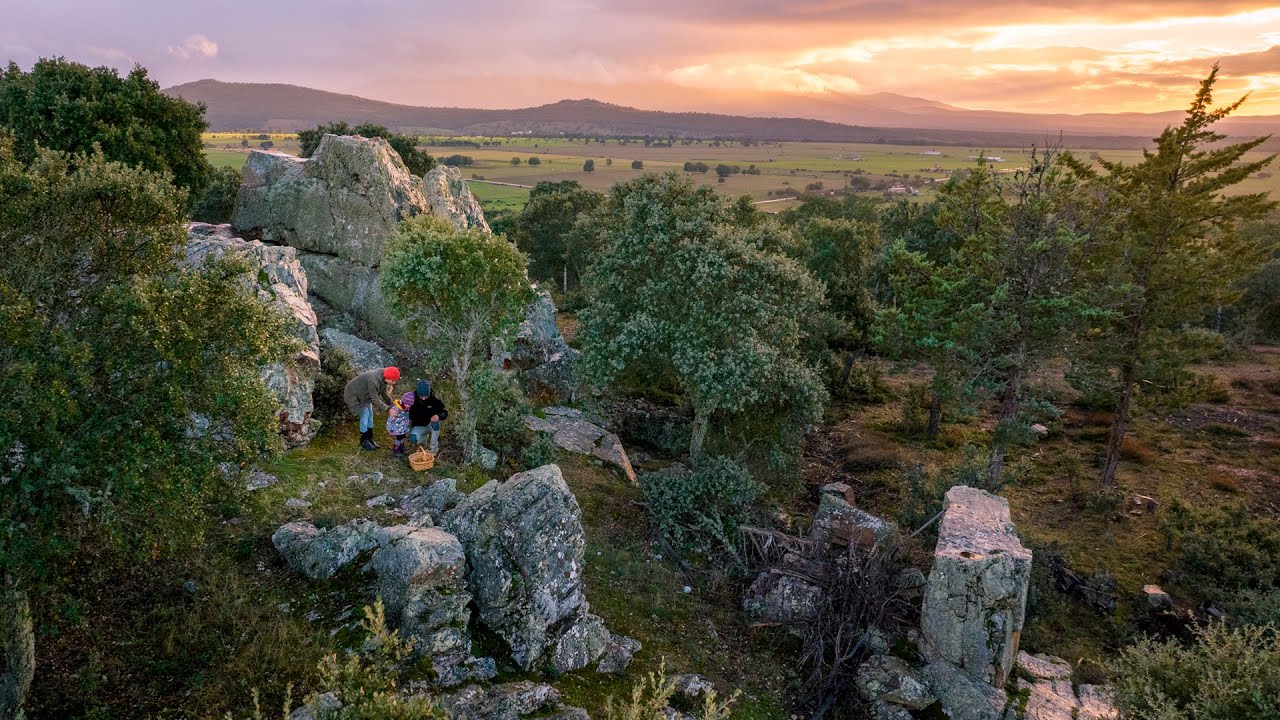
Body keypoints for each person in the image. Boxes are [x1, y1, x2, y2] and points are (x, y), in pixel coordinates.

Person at [343, 366, 399, 451]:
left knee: (370, 415)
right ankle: (364, 441)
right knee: (365, 415)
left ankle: (370, 438)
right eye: (393, 381)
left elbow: (384, 394)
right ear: (387, 378)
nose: (394, 383)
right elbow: (375, 399)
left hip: (364, 396)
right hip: (353, 396)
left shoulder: (383, 377)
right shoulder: (373, 380)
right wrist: (388, 410)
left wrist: (392, 404)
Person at [407, 379, 448, 454]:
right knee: (413, 438)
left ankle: (433, 450)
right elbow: (408, 413)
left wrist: (438, 416)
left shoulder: (434, 401)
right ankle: (422, 445)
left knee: (436, 425)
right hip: (419, 425)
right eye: (421, 396)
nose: (423, 398)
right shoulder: (412, 400)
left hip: (431, 425)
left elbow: (444, 412)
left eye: (425, 396)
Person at [386, 391, 415, 457]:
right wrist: (389, 427)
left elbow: (407, 416)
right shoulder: (396, 408)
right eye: (407, 404)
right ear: (403, 401)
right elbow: (391, 418)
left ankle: (401, 448)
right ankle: (396, 450)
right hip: (397, 427)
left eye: (410, 405)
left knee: (403, 437)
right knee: (398, 438)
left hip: (404, 427)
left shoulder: (407, 408)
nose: (408, 406)